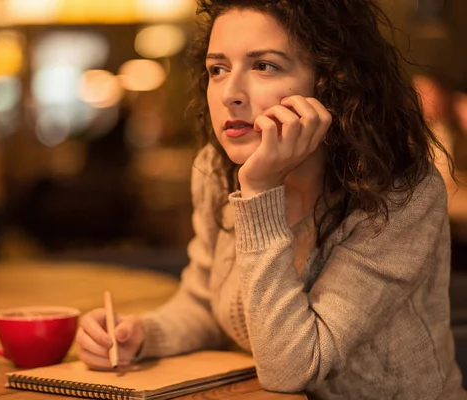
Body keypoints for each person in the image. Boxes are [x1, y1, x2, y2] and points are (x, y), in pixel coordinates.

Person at [76, 0, 467, 398]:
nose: (230, 93)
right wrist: (143, 335)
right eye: (218, 69)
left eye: (264, 66)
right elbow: (206, 301)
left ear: (332, 80)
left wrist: (261, 192)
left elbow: (293, 367)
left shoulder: (402, 194)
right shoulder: (216, 169)